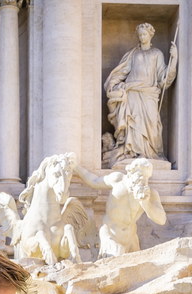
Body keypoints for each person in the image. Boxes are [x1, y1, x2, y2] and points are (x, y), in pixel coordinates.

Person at [105, 22, 178, 163]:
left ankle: (151, 153)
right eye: (140, 35)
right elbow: (122, 71)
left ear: (150, 35)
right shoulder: (133, 54)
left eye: (144, 34)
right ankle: (133, 152)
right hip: (132, 91)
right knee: (134, 122)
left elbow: (163, 76)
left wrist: (174, 59)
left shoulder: (156, 53)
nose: (142, 37)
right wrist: (114, 84)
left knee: (152, 123)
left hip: (149, 94)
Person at [75, 157, 167, 258]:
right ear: (131, 172)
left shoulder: (150, 194)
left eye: (146, 177)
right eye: (140, 176)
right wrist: (75, 167)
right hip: (111, 234)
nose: (143, 180)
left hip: (131, 238)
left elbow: (161, 220)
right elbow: (94, 181)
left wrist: (145, 203)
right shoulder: (118, 180)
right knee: (114, 263)